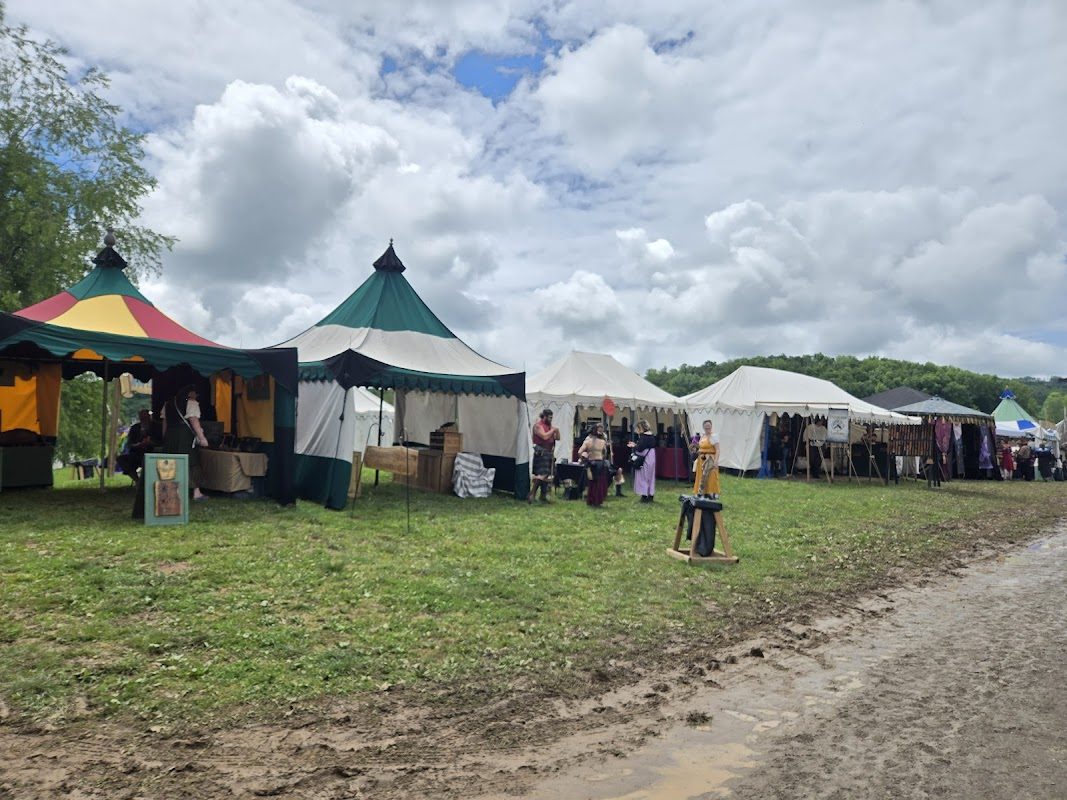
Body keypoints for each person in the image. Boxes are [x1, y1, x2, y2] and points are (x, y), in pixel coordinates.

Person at [162, 384, 210, 500]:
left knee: (171, 462)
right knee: (191, 461)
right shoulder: (191, 403)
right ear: (191, 393)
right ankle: (196, 492)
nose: (196, 396)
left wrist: (165, 437)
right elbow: (194, 420)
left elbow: (165, 422)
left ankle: (171, 491)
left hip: (170, 435)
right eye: (196, 394)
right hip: (184, 435)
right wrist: (202, 438)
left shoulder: (168, 403)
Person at [529, 409, 560, 503]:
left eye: (552, 417)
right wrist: (553, 430)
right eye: (550, 417)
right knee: (542, 474)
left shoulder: (549, 427)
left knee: (547, 475)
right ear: (545, 416)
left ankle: (542, 495)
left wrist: (557, 431)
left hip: (549, 452)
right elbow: (544, 436)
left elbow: (557, 438)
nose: (551, 419)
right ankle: (531, 494)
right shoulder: (538, 426)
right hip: (541, 451)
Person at [116, 408, 155, 481]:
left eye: (146, 418)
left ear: (149, 417)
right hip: (136, 454)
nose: (144, 420)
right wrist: (138, 445)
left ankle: (148, 480)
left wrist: (149, 443)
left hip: (151, 454)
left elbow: (159, 442)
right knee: (121, 459)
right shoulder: (135, 428)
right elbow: (130, 444)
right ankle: (137, 480)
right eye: (142, 418)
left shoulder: (154, 427)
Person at [577, 422, 610, 507]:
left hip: (591, 463)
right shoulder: (603, 442)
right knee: (599, 483)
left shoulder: (587, 442)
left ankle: (591, 500)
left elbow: (579, 452)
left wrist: (584, 458)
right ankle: (597, 501)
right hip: (600, 463)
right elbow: (605, 454)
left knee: (592, 483)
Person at [628, 419, 658, 502]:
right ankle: (650, 494)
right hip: (651, 457)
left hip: (645, 459)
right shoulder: (652, 436)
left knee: (643, 476)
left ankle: (644, 495)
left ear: (640, 428)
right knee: (650, 477)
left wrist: (634, 446)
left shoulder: (643, 437)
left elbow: (640, 448)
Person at [690, 419, 721, 498]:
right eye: (706, 427)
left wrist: (716, 461)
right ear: (703, 427)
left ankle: (711, 492)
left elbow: (717, 449)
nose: (708, 428)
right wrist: (695, 448)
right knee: (701, 476)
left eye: (709, 427)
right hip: (701, 459)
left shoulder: (714, 436)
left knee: (711, 476)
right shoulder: (703, 436)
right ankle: (701, 492)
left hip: (710, 458)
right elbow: (700, 447)